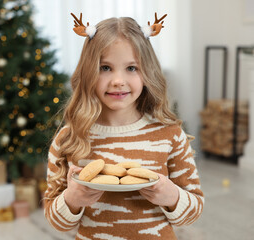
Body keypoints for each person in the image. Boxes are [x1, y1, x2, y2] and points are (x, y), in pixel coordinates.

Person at [43, 12, 204, 240]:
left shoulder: (170, 135)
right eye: (105, 68)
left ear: (147, 72)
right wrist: (72, 199)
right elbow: (55, 220)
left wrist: (171, 196)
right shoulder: (69, 138)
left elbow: (193, 211)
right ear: (88, 72)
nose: (118, 80)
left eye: (131, 68)